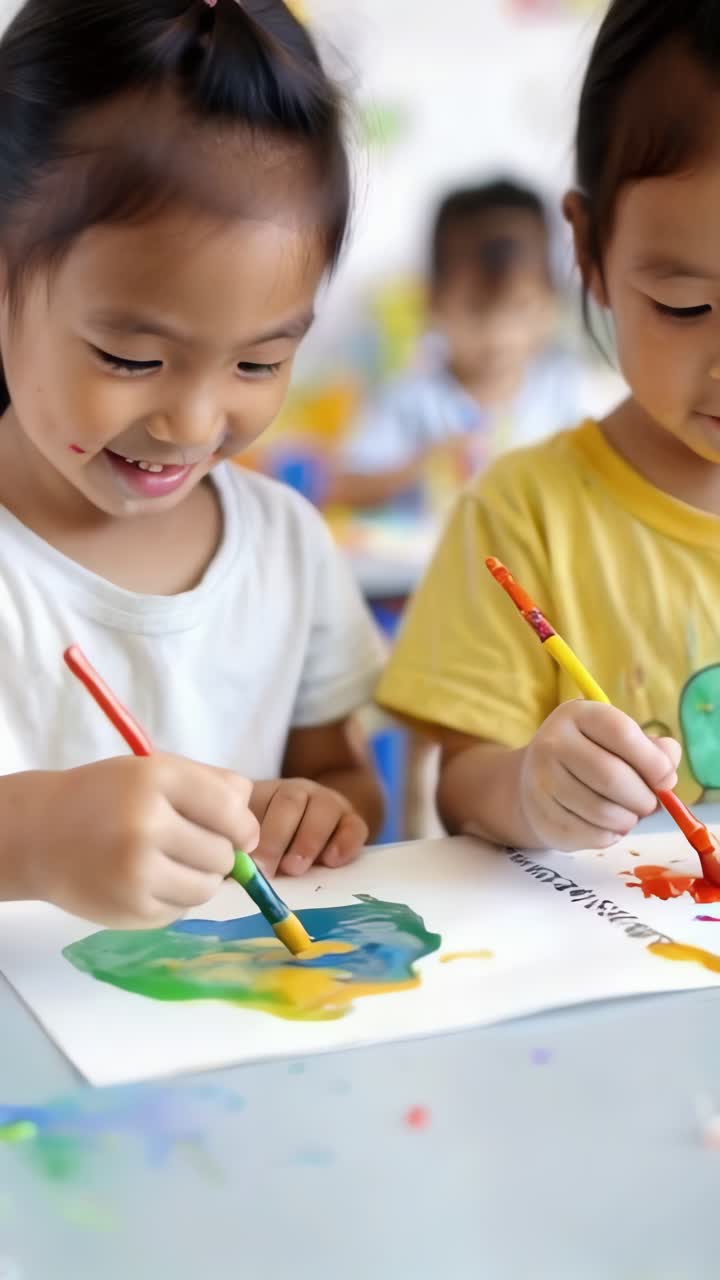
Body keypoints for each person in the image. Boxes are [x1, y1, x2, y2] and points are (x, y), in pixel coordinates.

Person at [0, 0, 385, 930]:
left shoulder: (287, 548)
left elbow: (341, 776)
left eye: (260, 363)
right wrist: (33, 838)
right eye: (131, 358)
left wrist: (317, 812)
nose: (193, 422)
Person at [377, 0, 720, 858]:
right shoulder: (520, 514)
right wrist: (531, 792)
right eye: (685, 305)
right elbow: (460, 782)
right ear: (590, 250)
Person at [330, 179, 582, 512]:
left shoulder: (562, 390)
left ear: (550, 306)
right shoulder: (412, 400)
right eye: (476, 310)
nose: (498, 334)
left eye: (521, 308)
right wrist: (422, 468)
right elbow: (343, 486)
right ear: (433, 304)